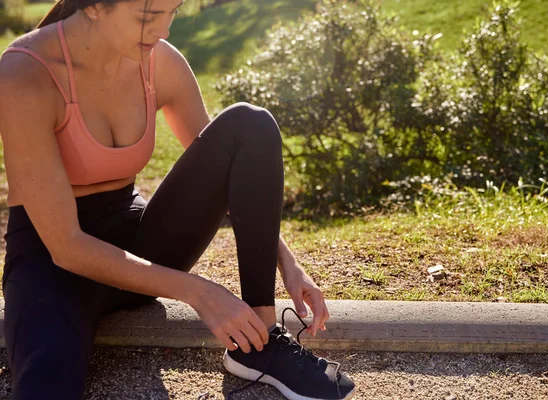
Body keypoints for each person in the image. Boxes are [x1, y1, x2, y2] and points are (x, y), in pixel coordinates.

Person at [0, 0, 356, 399]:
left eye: (174, 12)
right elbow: (65, 247)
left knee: (249, 125)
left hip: (140, 248)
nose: (165, 30)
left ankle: (260, 344)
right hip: (52, 266)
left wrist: (287, 262)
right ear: (96, 6)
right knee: (45, 388)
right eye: (148, 17)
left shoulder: (158, 61)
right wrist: (200, 291)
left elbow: (235, 165)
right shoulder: (25, 73)